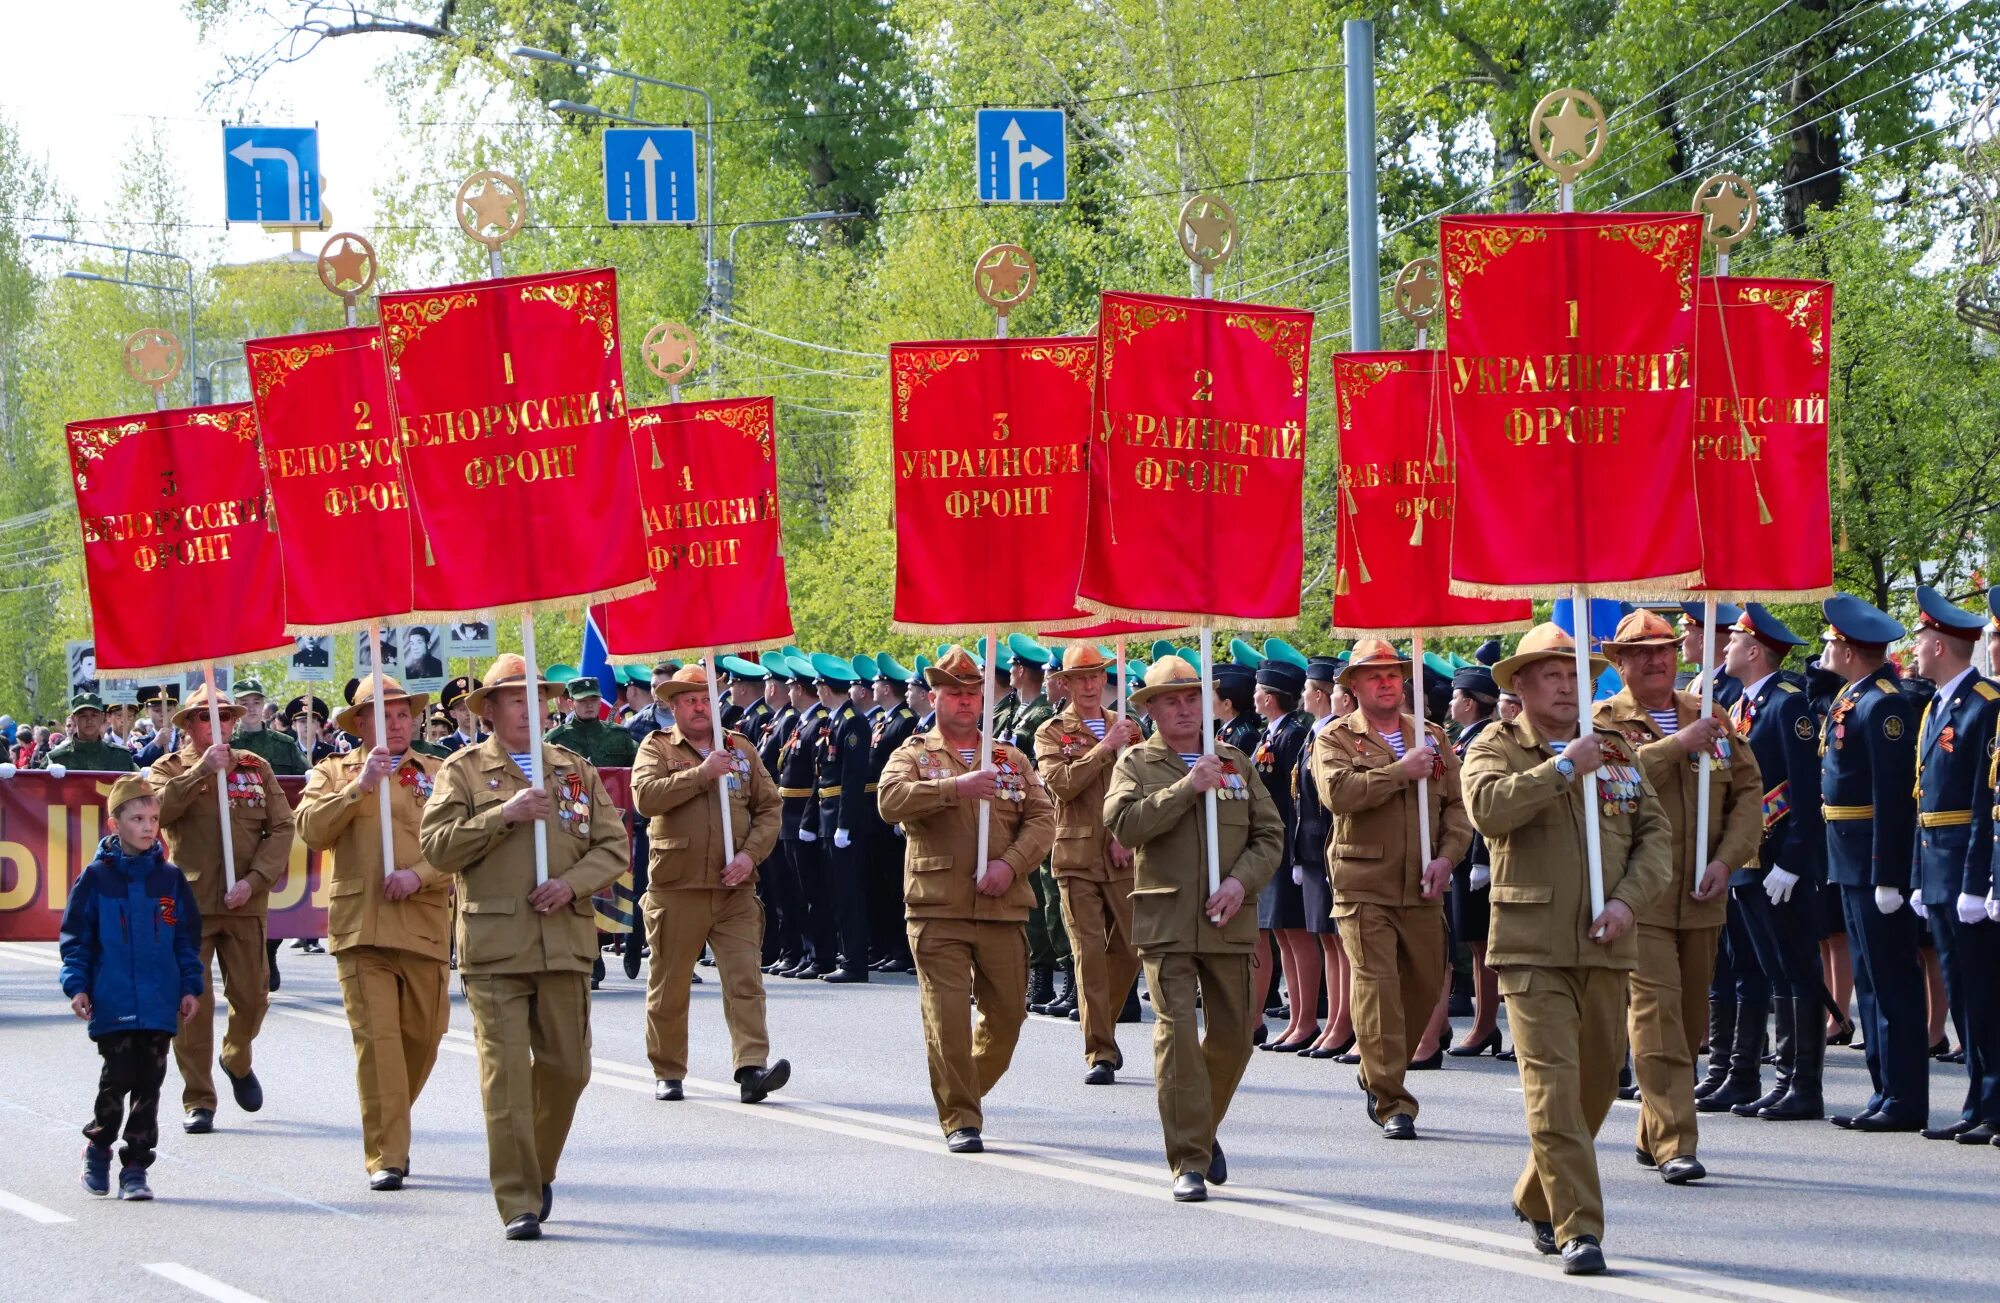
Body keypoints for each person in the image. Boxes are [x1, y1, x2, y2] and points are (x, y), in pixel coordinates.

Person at [1462, 623, 1672, 1276]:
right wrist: (1560, 770)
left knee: (1597, 1084)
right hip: (1532, 946)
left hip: (1606, 943)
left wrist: (1626, 901)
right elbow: (1488, 811)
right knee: (1552, 1090)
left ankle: (1534, 1193)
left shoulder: (1615, 748)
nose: (1565, 684)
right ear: (1519, 684)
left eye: (1574, 673)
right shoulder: (1494, 745)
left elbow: (1655, 837)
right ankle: (1579, 1225)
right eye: (1550, 673)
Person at [418, 654, 629, 1240]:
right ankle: (517, 1199)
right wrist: (503, 816)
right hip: (495, 945)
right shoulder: (461, 772)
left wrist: (571, 884)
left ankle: (536, 1169)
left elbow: (613, 847)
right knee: (506, 1077)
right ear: (489, 711)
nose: (528, 710)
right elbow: (436, 848)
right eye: (515, 700)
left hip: (563, 939)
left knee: (569, 1068)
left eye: (537, 699)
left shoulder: (571, 770)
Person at [1106, 655, 1282, 1200]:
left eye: (1192, 699)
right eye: (1171, 701)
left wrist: (1240, 884)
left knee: (1235, 1037)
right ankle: (1188, 1158)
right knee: (1177, 1035)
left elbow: (1269, 835)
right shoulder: (1136, 763)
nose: (1184, 709)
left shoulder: (1236, 762)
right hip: (1168, 920)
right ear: (1152, 709)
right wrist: (1186, 787)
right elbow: (1126, 825)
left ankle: (1199, 1128)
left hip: (1227, 918)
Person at [1595, 610, 1762, 1183]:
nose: (1656, 659)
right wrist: (1674, 745)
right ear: (1618, 662)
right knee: (1658, 1017)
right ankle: (1675, 1143)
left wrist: (1727, 859)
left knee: (1690, 1025)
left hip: (1702, 894)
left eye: (1664, 649)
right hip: (1640, 897)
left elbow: (1748, 791)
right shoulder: (1606, 719)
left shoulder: (1710, 712)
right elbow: (1609, 778)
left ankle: (1652, 1128)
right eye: (1640, 653)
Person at [876, 646, 1054, 1153]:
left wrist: (1010, 864)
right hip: (938, 906)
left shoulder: (1009, 757)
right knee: (948, 1017)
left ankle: (960, 1091)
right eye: (954, 693)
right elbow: (889, 803)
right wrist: (956, 787)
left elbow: (1044, 820)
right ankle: (960, 1117)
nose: (965, 702)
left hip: (1001, 905)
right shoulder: (913, 753)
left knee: (1007, 1019)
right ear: (934, 697)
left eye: (973, 693)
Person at [294, 675, 451, 1191]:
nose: (398, 722)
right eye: (385, 714)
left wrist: (420, 876)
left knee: (423, 1039)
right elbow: (311, 830)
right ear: (360, 724)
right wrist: (358, 788)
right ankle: (388, 1154)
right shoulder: (332, 772)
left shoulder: (438, 773)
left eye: (405, 713)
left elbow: (463, 846)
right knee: (378, 1042)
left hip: (424, 925)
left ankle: (390, 1118)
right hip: (361, 928)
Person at [1315, 639, 1471, 1140]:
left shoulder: (1430, 735)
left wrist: (1448, 857)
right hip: (1364, 883)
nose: (1387, 682)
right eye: (1374, 675)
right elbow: (1337, 794)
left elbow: (1456, 806)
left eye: (1393, 674)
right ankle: (1392, 1098)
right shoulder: (1336, 738)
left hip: (1423, 884)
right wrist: (1398, 772)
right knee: (1378, 988)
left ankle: (1379, 1068)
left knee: (1425, 985)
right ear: (1354, 686)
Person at [631, 665, 790, 1104]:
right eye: (689, 701)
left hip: (734, 887)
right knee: (670, 982)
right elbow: (645, 797)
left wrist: (749, 855)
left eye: (705, 699)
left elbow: (769, 808)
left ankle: (751, 1067)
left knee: (745, 979)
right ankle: (668, 1069)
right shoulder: (657, 747)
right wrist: (700, 774)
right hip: (676, 886)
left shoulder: (740, 748)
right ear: (674, 707)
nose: (700, 708)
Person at [146, 684, 296, 1134]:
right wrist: (200, 774)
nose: (221, 726)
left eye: (226, 718)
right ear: (190, 726)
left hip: (244, 901)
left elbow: (283, 827)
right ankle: (199, 1098)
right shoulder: (168, 769)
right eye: (209, 718)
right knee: (191, 1003)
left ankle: (236, 1055)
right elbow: (157, 813)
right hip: (189, 903)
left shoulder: (255, 768)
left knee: (252, 997)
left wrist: (254, 881)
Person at [59, 775, 203, 1202]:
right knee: (118, 1076)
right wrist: (77, 985)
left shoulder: (171, 881)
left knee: (151, 1083)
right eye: (137, 818)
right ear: (114, 824)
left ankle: (136, 1166)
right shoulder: (96, 880)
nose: (147, 827)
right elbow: (77, 939)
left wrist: (190, 986)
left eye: (153, 818)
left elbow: (185, 940)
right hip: (114, 998)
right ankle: (100, 1144)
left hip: (160, 1001)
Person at [1817, 594, 1926, 1133]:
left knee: (1891, 982)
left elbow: (1892, 795)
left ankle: (1904, 1096)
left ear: (1852, 649)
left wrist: (1888, 873)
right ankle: (1884, 1089)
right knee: (1871, 980)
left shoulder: (1882, 704)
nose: (1826, 648)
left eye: (1832, 642)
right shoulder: (1853, 696)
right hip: (1849, 855)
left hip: (1871, 860)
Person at [1721, 605, 1830, 1121]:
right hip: (1747, 856)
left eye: (1734, 641)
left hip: (1778, 859)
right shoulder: (1744, 704)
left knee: (1795, 968)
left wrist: (1792, 857)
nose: (1726, 648)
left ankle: (1803, 1084)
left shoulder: (1787, 705)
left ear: (1755, 650)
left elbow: (1807, 790)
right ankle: (1779, 1078)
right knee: (1770, 968)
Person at [1905, 587, 2000, 1143]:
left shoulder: (1984, 704)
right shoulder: (1939, 705)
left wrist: (1975, 882)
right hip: (1936, 870)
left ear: (1939, 645)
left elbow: (1981, 803)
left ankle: (1991, 1102)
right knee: (1964, 992)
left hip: (1965, 870)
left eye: (1920, 640)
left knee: (1983, 993)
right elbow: (1926, 800)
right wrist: (1920, 878)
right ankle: (1976, 1099)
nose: (1915, 650)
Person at [1033, 645, 1144, 1083]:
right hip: (1076, 855)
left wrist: (1129, 835)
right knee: (1088, 954)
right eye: (1080, 678)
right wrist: (1103, 748)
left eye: (1096, 676)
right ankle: (1100, 1050)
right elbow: (1061, 785)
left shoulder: (1129, 727)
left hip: (1123, 853)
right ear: (1066, 684)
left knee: (1134, 946)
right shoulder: (1050, 731)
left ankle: (1103, 1023)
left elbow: (1144, 783)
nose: (1090, 685)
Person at [1250, 658, 1318, 1053]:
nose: (1255, 696)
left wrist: (1291, 850)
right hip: (1271, 844)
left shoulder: (1292, 735)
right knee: (1281, 932)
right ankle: (1296, 1019)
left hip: (1284, 844)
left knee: (1295, 932)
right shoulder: (1271, 734)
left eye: (1261, 690)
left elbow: (1294, 799)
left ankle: (1306, 1018)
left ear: (1271, 697)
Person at [1294, 657, 1356, 1060]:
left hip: (1334, 846)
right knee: (1328, 941)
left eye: (1335, 690)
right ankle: (1334, 1020)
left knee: (1341, 941)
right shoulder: (1318, 733)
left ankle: (1344, 1023)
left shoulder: (1343, 736)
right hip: (1314, 846)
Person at [1446, 665, 1508, 1059]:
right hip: (1461, 854)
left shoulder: (1485, 740)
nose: (1450, 704)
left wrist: (1480, 858)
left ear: (1469, 703)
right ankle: (1482, 1025)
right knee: (1474, 942)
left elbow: (1481, 804)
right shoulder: (1464, 740)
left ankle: (1486, 1026)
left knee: (1486, 945)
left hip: (1476, 855)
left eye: (1456, 697)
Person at [812, 653, 874, 983]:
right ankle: (845, 953)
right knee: (836, 891)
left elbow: (852, 777)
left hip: (841, 818)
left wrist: (844, 824)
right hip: (827, 815)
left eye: (820, 685)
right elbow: (822, 773)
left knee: (849, 893)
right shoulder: (835, 720)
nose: (818, 691)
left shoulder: (852, 721)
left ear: (826, 688)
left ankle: (854, 961)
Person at [777, 655, 836, 978]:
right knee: (794, 893)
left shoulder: (819, 723)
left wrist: (808, 821)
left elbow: (817, 776)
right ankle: (803, 952)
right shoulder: (802, 722)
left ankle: (820, 955)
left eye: (792, 688)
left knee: (811, 893)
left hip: (803, 814)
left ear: (799, 690)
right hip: (789, 815)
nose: (789, 694)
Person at [865, 655, 918, 973]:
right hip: (877, 809)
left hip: (893, 811)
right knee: (882, 886)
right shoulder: (886, 720)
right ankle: (888, 947)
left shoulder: (904, 723)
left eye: (877, 683)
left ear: (887, 688)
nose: (873, 687)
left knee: (895, 885)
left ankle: (901, 949)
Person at [543, 677, 638, 768]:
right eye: (582, 701)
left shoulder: (619, 736)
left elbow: (635, 771)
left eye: (594, 700)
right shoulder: (555, 739)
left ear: (600, 702)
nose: (589, 705)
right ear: (570, 704)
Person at [40, 692, 138, 773]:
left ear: (102, 717)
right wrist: (46, 776)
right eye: (83, 716)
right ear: (74, 719)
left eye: (94, 715)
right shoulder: (56, 758)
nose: (89, 720)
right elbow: (33, 789)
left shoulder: (120, 756)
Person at [228, 679, 309, 777]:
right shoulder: (227, 745)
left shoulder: (285, 745)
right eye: (244, 704)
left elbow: (310, 776)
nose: (252, 708)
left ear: (263, 704)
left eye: (256, 702)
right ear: (235, 706)